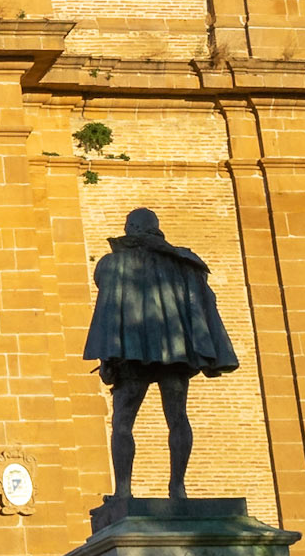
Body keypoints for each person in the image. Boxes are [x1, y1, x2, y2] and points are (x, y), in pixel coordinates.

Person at [84, 208, 239, 502]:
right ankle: (177, 487)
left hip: (132, 355)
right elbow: (204, 303)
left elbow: (107, 313)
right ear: (156, 228)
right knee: (178, 417)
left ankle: (124, 492)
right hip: (175, 353)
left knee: (122, 422)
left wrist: (107, 360)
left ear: (130, 228)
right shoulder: (184, 263)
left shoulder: (110, 265)